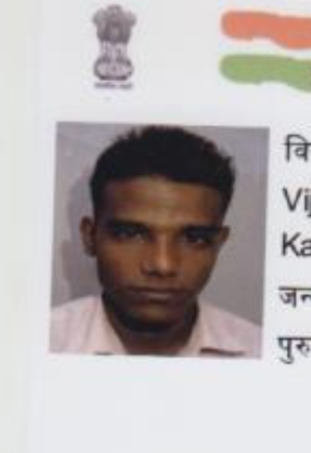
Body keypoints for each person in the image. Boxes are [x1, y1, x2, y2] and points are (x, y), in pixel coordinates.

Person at [50, 126, 262, 357]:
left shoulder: (260, 351)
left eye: (195, 239)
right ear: (90, 237)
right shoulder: (36, 344)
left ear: (219, 244)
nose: (163, 265)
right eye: (130, 234)